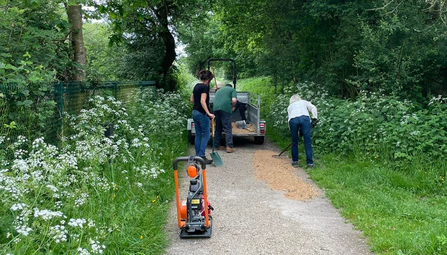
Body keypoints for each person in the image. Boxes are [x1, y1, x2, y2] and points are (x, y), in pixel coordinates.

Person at [191, 70, 215, 164]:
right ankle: (201, 156)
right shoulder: (204, 87)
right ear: (208, 79)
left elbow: (192, 99)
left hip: (194, 112)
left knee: (198, 134)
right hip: (201, 113)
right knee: (206, 134)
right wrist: (209, 113)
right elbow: (202, 101)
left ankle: (197, 156)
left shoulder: (196, 86)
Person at [287, 94, 318, 168]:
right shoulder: (304, 102)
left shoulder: (290, 106)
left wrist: (294, 132)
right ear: (299, 98)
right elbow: (313, 108)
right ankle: (310, 163)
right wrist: (314, 118)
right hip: (304, 118)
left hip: (293, 120)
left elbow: (289, 119)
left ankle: (295, 162)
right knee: (307, 142)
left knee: (294, 142)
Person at [213, 84, 237, 153]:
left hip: (216, 108)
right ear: (230, 87)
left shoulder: (219, 90)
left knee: (218, 127)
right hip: (225, 109)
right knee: (227, 128)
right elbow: (234, 100)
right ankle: (229, 146)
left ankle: (217, 145)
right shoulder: (232, 90)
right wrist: (232, 106)